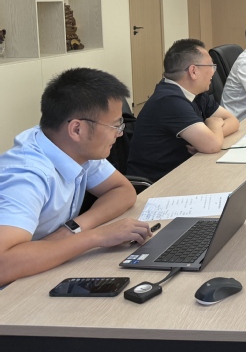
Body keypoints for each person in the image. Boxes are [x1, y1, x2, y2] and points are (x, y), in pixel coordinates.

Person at [0, 68, 154, 286]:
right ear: (77, 129)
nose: (120, 133)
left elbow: (123, 191)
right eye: (115, 125)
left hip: (43, 269)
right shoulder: (26, 176)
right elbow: (3, 264)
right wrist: (96, 236)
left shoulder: (71, 146)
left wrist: (71, 230)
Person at [127, 39, 240, 182]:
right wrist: (213, 128)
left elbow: (233, 120)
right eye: (211, 66)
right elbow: (212, 145)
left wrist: (211, 135)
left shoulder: (196, 93)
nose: (213, 71)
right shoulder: (169, 100)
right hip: (160, 183)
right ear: (193, 71)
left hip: (186, 170)